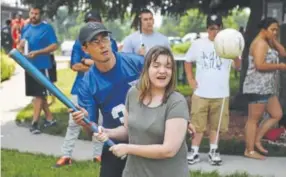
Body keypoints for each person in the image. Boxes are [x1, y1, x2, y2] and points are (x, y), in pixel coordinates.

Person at [72, 46, 195, 177]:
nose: (162, 71)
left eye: (168, 67)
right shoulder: (133, 93)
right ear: (146, 69)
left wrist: (128, 148)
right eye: (156, 65)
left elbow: (168, 150)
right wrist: (108, 132)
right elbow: (127, 130)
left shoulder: (176, 102)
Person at [68, 22, 144, 177]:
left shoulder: (137, 63)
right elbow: (92, 132)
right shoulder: (87, 85)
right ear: (85, 49)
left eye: (105, 39)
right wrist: (85, 121)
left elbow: (166, 94)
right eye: (95, 42)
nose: (102, 45)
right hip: (115, 142)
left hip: (148, 137)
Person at [54, 10, 119, 167]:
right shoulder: (80, 43)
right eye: (89, 22)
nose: (92, 25)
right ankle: (66, 155)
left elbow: (112, 64)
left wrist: (88, 61)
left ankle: (98, 155)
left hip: (103, 89)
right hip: (80, 88)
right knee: (74, 122)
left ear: (101, 22)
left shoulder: (111, 41)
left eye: (95, 21)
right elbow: (75, 65)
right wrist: (97, 63)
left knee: (99, 124)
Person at [184, 14, 241, 165]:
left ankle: (213, 150)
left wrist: (235, 55)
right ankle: (194, 151)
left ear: (221, 29)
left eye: (217, 29)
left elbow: (239, 66)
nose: (214, 32)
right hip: (201, 92)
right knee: (197, 124)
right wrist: (190, 79)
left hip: (221, 93)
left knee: (216, 125)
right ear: (207, 29)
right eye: (211, 29)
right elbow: (188, 61)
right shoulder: (198, 44)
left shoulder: (227, 44)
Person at [243, 17, 286, 160]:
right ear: (263, 30)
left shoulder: (268, 42)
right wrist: (279, 66)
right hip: (257, 87)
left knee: (277, 114)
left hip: (267, 88)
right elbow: (260, 65)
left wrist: (273, 39)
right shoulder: (260, 44)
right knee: (253, 119)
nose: (275, 32)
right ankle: (249, 150)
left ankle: (256, 140)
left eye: (276, 30)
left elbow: (283, 53)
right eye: (272, 29)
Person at [17, 6, 58, 134]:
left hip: (43, 66)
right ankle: (50, 119)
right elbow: (21, 43)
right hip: (30, 66)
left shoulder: (47, 28)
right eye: (32, 13)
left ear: (40, 15)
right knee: (38, 94)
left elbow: (54, 45)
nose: (33, 15)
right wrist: (20, 48)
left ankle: (35, 123)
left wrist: (39, 52)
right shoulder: (26, 28)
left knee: (38, 95)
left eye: (36, 13)